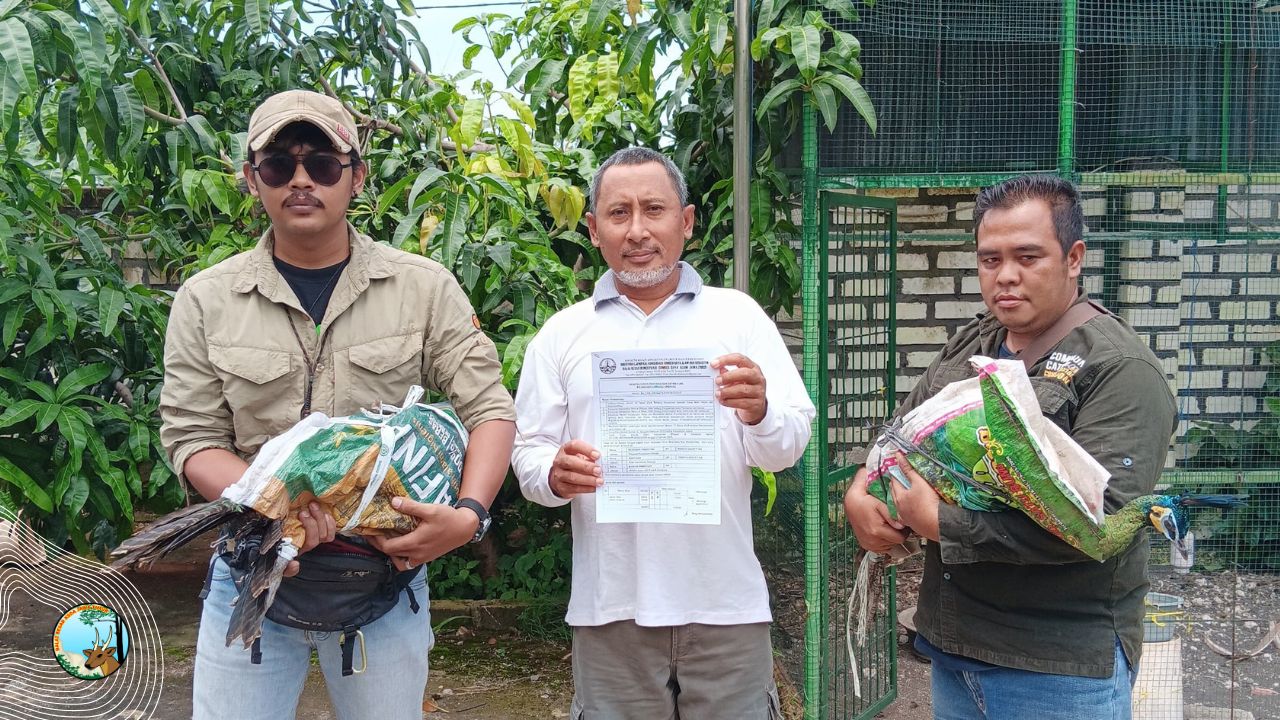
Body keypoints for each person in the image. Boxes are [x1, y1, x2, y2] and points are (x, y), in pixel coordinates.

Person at [159, 89, 516, 720]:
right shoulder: (205, 300)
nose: (301, 180)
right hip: (250, 573)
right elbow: (191, 439)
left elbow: (489, 409)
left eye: (323, 163)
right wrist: (280, 505)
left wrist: (467, 516)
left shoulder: (422, 288)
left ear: (356, 176)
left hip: (383, 581)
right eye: (278, 164)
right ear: (251, 179)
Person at [844, 175, 1177, 720]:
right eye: (990, 260)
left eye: (1027, 256)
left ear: (1073, 258)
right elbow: (897, 434)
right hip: (956, 650)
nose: (1006, 277)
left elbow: (1103, 527)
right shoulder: (973, 342)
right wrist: (862, 490)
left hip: (1055, 668)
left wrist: (939, 523)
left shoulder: (1120, 370)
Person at [512, 147, 816, 719]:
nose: (637, 230)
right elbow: (528, 455)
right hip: (610, 607)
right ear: (593, 229)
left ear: (687, 222)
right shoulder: (562, 335)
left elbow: (786, 448)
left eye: (654, 209)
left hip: (725, 604)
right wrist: (554, 473)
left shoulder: (739, 318)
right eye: (618, 213)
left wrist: (759, 411)